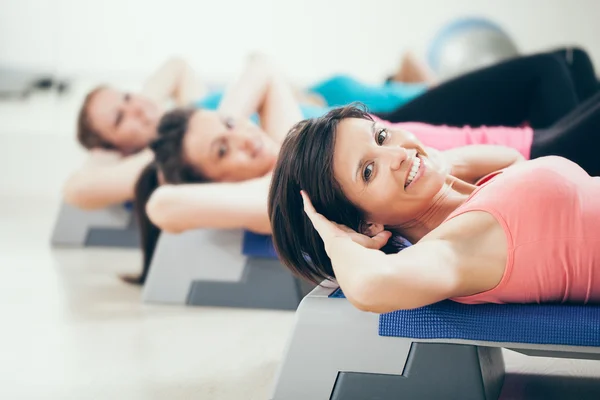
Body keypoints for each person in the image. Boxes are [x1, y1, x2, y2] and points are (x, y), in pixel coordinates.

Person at [268, 104, 600, 313]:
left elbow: (511, 160)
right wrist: (334, 236)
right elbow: (372, 284)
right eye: (368, 171)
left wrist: (427, 160)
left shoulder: (474, 196)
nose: (396, 153)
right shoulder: (457, 245)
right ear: (366, 225)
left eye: (381, 136)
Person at [63, 54, 434, 210]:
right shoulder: (160, 158)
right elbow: (76, 190)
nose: (137, 107)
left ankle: (410, 76)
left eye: (128, 97)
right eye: (118, 119)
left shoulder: (193, 107)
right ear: (115, 146)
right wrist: (110, 152)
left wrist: (216, 124)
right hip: (356, 128)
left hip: (333, 104)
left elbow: (176, 65)